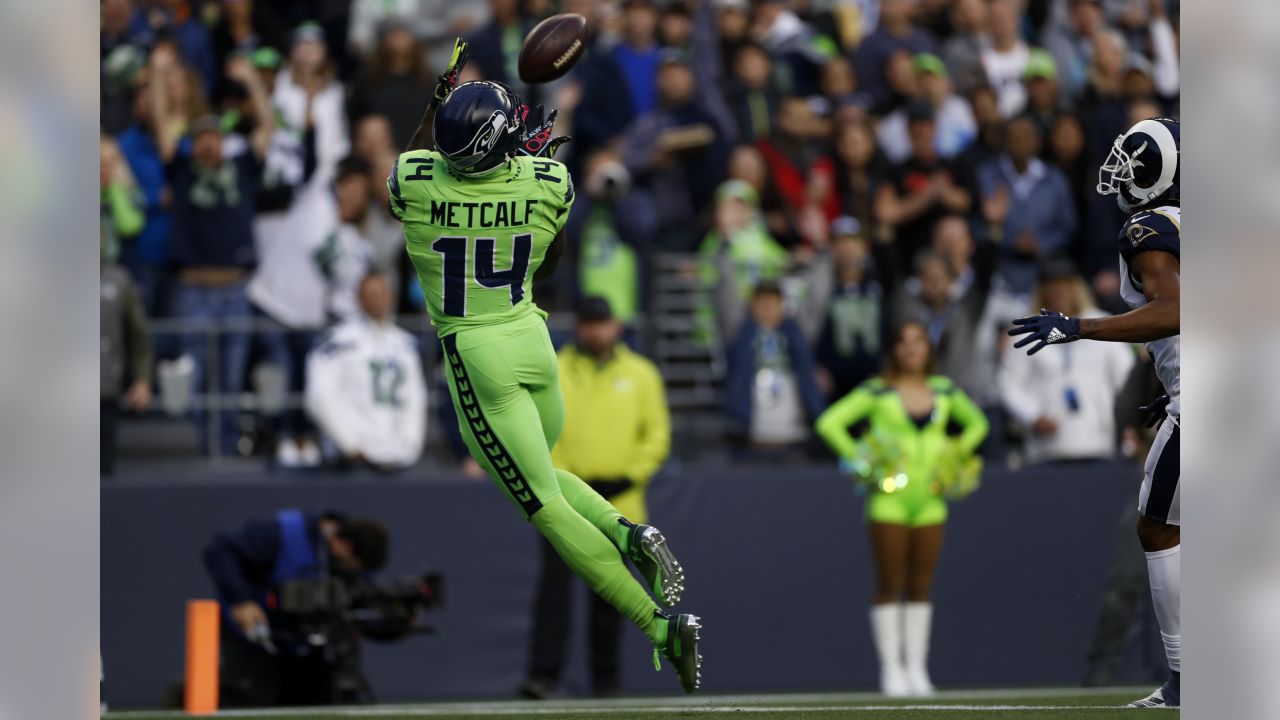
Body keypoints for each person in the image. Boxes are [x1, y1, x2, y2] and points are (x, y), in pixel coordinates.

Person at [387, 41, 702, 693]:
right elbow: (551, 262)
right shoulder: (549, 181)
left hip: (478, 356)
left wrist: (440, 94)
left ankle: (659, 626)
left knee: (545, 509)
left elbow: (419, 153)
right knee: (550, 477)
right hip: (533, 341)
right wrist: (528, 169)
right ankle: (627, 528)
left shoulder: (416, 181)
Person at [1007, 117, 1181, 708]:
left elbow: (1175, 308)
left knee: (1159, 526)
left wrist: (1079, 326)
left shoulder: (1149, 227)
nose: (1120, 170)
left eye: (1132, 160)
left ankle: (1187, 678)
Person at [815, 320, 989, 697]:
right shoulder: (876, 391)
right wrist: (863, 463)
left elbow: (978, 424)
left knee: (921, 583)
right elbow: (829, 423)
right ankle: (891, 669)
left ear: (928, 349)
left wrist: (954, 452)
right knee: (890, 582)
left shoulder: (943, 389)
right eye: (904, 342)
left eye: (919, 342)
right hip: (888, 500)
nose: (911, 349)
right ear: (893, 349)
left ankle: (917, 669)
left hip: (932, 500)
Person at [521, 297, 672, 699]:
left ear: (616, 326)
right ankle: (542, 676)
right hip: (565, 501)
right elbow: (538, 430)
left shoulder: (642, 374)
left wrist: (630, 475)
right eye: (588, 323)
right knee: (554, 595)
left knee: (611, 597)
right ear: (579, 326)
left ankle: (607, 680)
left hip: (621, 504)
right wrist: (566, 480)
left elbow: (656, 435)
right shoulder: (553, 369)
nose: (596, 331)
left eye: (602, 323)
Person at [202, 510, 390, 706]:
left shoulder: (346, 562)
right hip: (254, 632)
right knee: (251, 698)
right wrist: (240, 601)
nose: (353, 571)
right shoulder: (283, 534)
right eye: (354, 565)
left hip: (303, 640)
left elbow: (360, 601)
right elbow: (220, 550)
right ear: (345, 547)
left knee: (318, 700)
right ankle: (183, 695)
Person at [997, 260, 1134, 465]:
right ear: (1042, 289)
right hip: (1045, 446)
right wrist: (1033, 416)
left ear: (1076, 287)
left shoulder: (1101, 323)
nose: (1059, 292)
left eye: (1064, 285)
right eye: (1052, 286)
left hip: (1097, 439)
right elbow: (1008, 383)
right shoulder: (1028, 327)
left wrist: (1127, 423)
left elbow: (1127, 377)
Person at [305, 272, 427, 470]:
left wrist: (412, 444)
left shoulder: (404, 344)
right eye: (369, 294)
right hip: (351, 462)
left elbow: (415, 397)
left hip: (396, 456)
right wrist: (350, 446)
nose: (376, 300)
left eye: (380, 293)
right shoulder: (337, 341)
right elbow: (320, 397)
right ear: (359, 298)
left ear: (391, 296)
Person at [723, 281, 826, 458]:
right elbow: (725, 297)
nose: (767, 308)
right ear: (752, 306)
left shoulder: (797, 334)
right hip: (752, 432)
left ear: (782, 305)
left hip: (793, 432)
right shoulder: (740, 335)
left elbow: (817, 300)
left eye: (772, 302)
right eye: (762, 302)